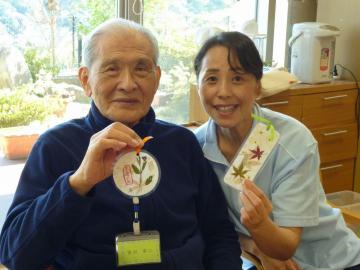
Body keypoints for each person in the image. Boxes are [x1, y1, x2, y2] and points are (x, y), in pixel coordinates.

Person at [0, 19, 243, 270]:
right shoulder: (56, 146)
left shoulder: (182, 143)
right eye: (111, 69)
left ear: (156, 77)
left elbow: (219, 234)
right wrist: (78, 182)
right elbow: (15, 255)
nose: (128, 83)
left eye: (141, 68)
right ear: (86, 80)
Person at [194, 31, 360, 270]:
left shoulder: (291, 140)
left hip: (332, 262)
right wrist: (253, 244)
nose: (223, 91)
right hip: (260, 261)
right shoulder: (196, 146)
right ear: (198, 85)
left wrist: (260, 225)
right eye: (211, 79)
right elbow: (208, 226)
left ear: (258, 87)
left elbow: (285, 247)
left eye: (238, 78)